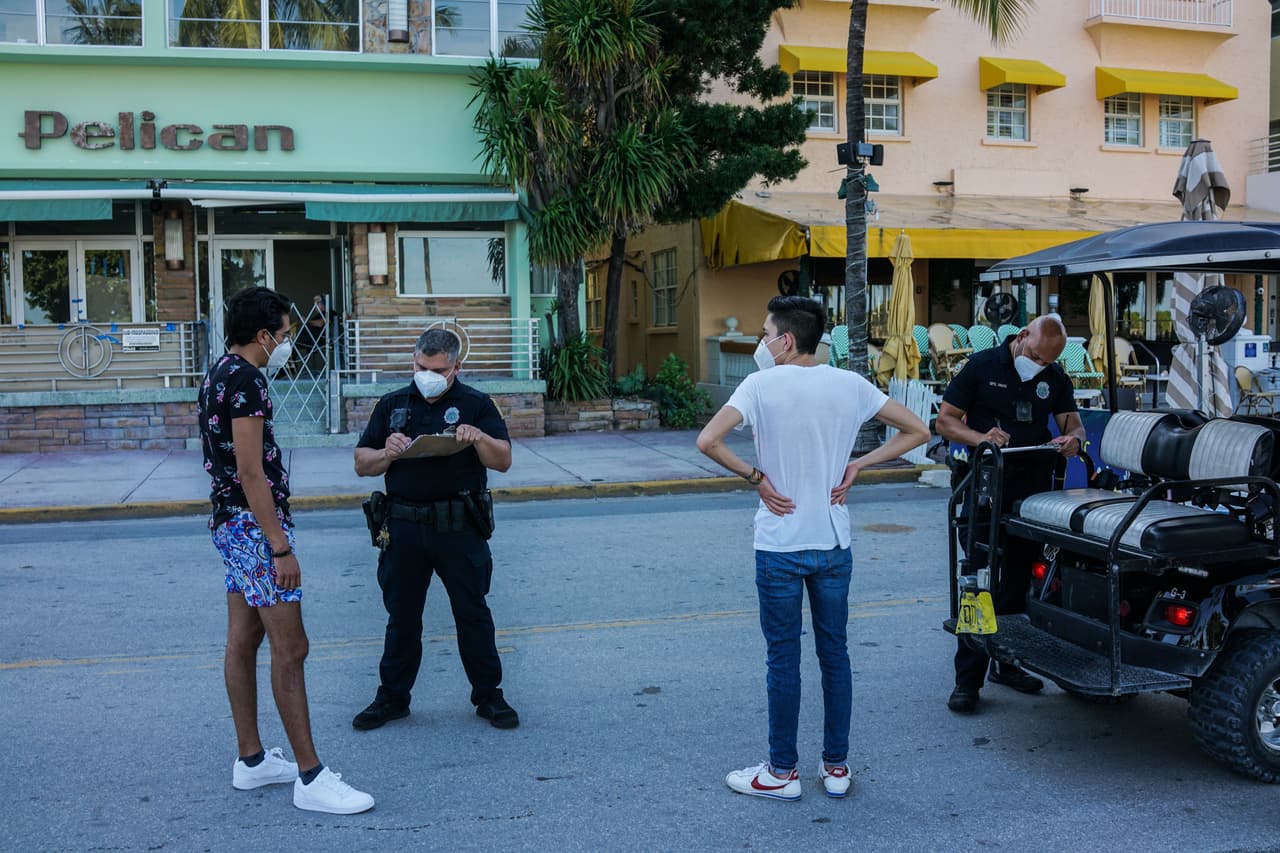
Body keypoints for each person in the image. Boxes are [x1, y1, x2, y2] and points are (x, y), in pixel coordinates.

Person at [696, 296, 930, 801]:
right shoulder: (848, 384)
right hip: (832, 540)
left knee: (783, 659)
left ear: (785, 340)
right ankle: (837, 767)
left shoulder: (759, 384)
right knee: (835, 656)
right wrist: (859, 464)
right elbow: (918, 430)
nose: (761, 341)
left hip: (779, 542)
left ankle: (782, 773)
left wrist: (756, 478)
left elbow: (708, 441)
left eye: (764, 333)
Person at [199, 287, 374, 815]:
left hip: (231, 522)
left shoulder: (217, 372)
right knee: (291, 648)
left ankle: (251, 761)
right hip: (256, 528)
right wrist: (279, 548)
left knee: (243, 639)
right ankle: (311, 776)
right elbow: (251, 470)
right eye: (284, 334)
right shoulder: (249, 380)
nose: (287, 344)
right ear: (262, 336)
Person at [351, 328, 518, 732]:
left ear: (456, 367)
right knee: (402, 618)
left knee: (473, 614)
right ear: (414, 362)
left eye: (438, 369)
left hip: (458, 526)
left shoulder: (475, 404)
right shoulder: (392, 404)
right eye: (421, 367)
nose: (428, 375)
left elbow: (504, 460)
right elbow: (361, 462)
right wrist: (385, 454)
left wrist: (478, 438)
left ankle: (489, 697)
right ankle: (392, 698)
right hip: (405, 526)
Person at [935, 313, 1087, 714]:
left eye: (1046, 362)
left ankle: (1006, 663)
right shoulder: (982, 366)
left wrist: (1073, 440)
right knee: (977, 582)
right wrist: (981, 438)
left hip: (1032, 493)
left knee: (1019, 582)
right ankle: (967, 680)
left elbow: (1074, 425)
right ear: (1022, 337)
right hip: (985, 488)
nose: (1039, 366)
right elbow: (945, 421)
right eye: (1035, 356)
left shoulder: (1054, 377)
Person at [297, 295, 327, 374]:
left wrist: (306, 321)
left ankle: (289, 371)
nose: (314, 305)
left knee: (292, 345)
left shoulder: (329, 312)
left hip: (317, 340)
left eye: (317, 303)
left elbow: (321, 323)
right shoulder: (317, 315)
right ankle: (290, 370)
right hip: (309, 339)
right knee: (290, 344)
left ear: (323, 304)